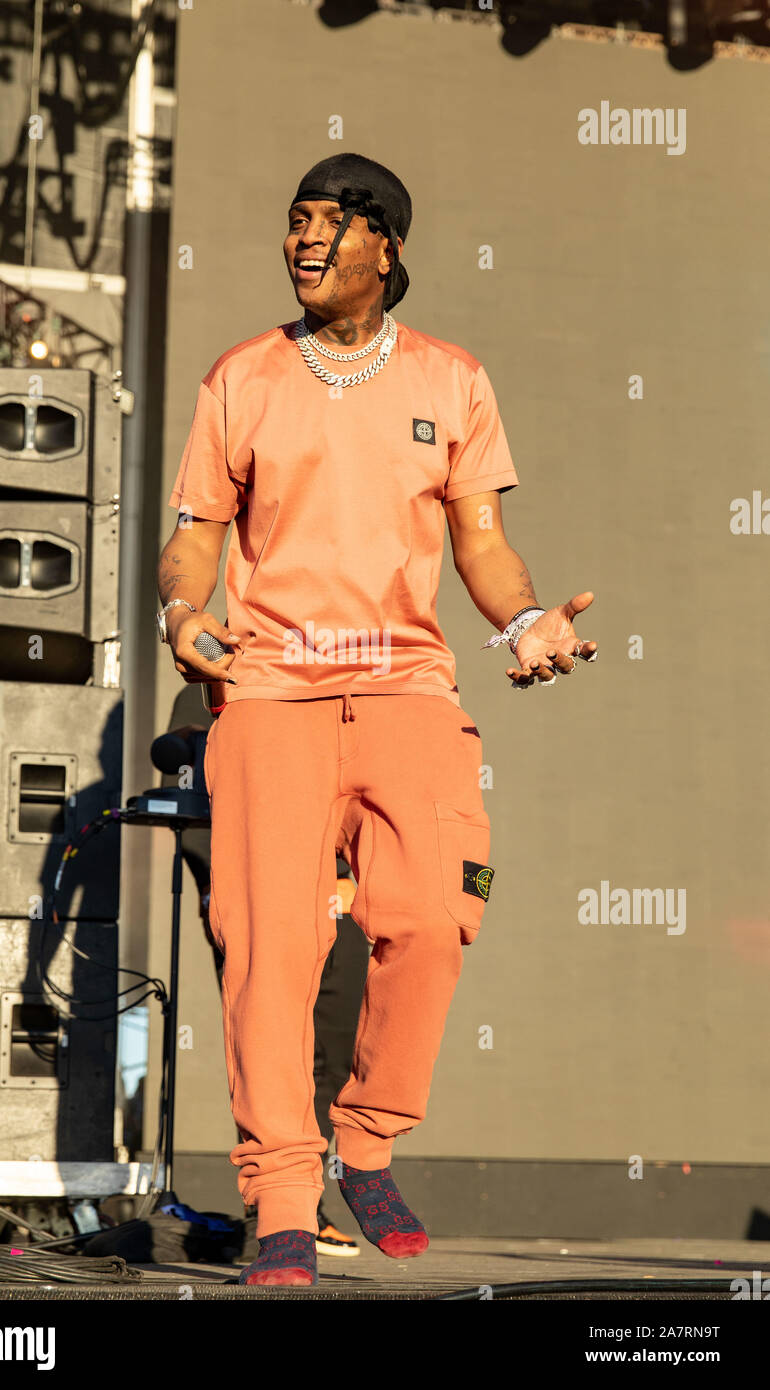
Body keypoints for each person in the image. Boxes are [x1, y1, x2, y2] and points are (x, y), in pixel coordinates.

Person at [157, 153, 598, 1287]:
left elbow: (482, 544)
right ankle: (283, 1197)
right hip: (268, 692)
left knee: (431, 912)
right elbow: (198, 531)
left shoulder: (451, 380)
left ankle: (366, 1136)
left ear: (384, 248)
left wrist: (525, 623)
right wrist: (180, 607)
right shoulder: (240, 378)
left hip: (405, 683)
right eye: (293, 223)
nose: (303, 242)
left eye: (329, 226)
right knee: (268, 950)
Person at [163, 682, 369, 1259]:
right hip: (258, 891)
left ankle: (308, 1201)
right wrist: (233, 886)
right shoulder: (212, 682)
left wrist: (358, 874)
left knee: (333, 1048)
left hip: (340, 891)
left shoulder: (346, 678)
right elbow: (194, 806)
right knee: (267, 1043)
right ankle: (274, 1212)